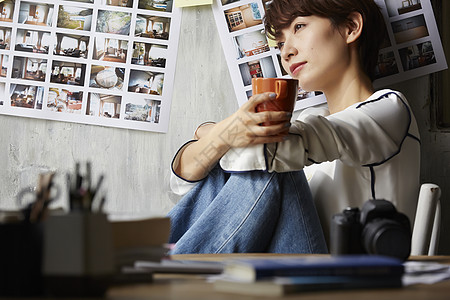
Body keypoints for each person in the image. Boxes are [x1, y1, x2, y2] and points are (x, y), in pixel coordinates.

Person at [167, 0, 420, 254]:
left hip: (349, 282)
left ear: (351, 27)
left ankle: (166, 272)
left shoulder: (390, 108)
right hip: (290, 268)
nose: (286, 52)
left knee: (270, 157)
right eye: (279, 44)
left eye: (299, 27)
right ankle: (165, 267)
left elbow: (271, 152)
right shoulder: (312, 117)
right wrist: (221, 135)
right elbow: (183, 185)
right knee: (245, 159)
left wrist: (213, 134)